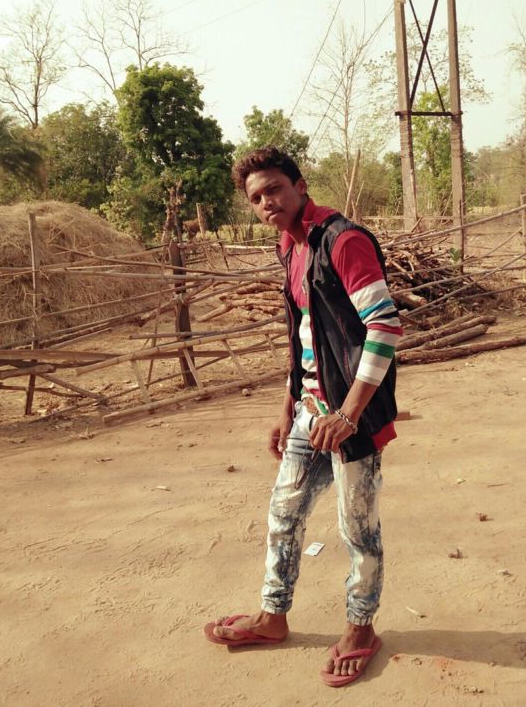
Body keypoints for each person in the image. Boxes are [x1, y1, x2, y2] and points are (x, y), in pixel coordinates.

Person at [203, 146, 402, 687]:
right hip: (308, 412)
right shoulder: (290, 247)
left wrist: (349, 414)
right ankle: (273, 616)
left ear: (299, 185)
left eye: (274, 189)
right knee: (283, 513)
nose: (266, 202)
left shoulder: (343, 240)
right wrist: (289, 405)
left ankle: (360, 628)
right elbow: (305, 334)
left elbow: (384, 326)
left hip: (349, 416)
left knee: (357, 529)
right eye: (256, 197)